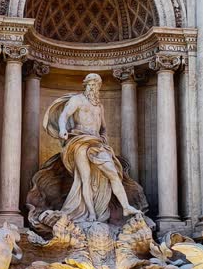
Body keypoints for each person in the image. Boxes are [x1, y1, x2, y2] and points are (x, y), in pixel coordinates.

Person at [43, 73, 138, 223]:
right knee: (84, 178)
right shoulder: (77, 100)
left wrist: (104, 139)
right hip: (79, 140)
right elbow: (64, 115)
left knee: (113, 173)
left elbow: (104, 128)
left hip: (97, 143)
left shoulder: (99, 106)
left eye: (96, 85)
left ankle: (125, 206)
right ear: (85, 85)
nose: (93, 87)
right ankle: (91, 214)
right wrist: (62, 129)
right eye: (90, 84)